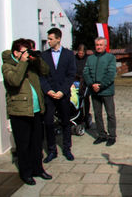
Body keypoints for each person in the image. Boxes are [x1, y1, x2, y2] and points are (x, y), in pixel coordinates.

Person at [2, 38, 52, 185]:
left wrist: (35, 59)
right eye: (25, 51)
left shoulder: (30, 63)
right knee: (23, 145)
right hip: (19, 112)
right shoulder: (7, 66)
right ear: (16, 52)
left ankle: (38, 169)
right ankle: (26, 172)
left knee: (37, 143)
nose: (27, 54)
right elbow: (15, 81)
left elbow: (45, 70)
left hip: (36, 110)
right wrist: (23, 62)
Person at [40, 28, 76, 163]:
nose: (48, 41)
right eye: (48, 39)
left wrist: (62, 91)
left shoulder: (68, 55)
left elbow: (71, 74)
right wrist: (48, 90)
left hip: (63, 94)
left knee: (65, 122)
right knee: (48, 123)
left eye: (50, 39)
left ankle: (67, 148)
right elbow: (41, 76)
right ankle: (51, 150)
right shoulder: (44, 56)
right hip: (49, 95)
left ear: (58, 39)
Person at [83, 37, 117, 146]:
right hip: (94, 91)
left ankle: (112, 136)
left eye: (100, 45)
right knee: (97, 115)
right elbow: (86, 72)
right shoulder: (90, 58)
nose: (98, 47)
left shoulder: (110, 57)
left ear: (105, 46)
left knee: (110, 114)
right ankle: (101, 134)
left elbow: (111, 74)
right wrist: (91, 84)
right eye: (97, 45)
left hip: (107, 91)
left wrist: (101, 86)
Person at [75, 44, 92, 128]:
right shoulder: (74, 58)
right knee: (77, 99)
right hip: (76, 81)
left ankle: (86, 115)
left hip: (85, 83)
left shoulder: (88, 59)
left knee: (85, 99)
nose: (80, 54)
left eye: (82, 53)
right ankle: (78, 115)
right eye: (79, 53)